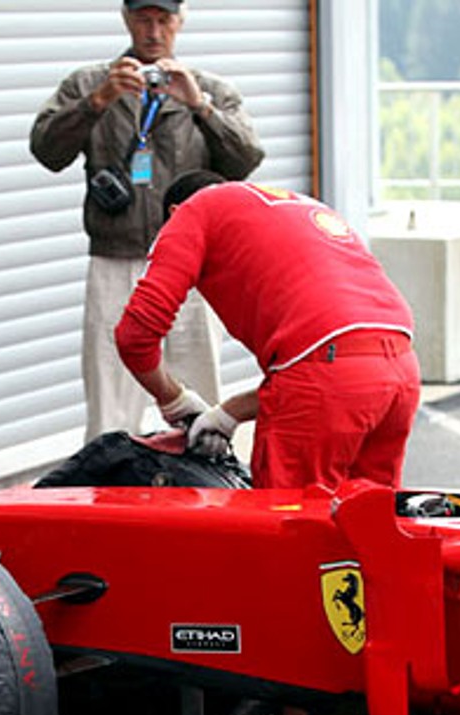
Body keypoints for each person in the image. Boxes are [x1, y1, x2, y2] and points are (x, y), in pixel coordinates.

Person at [31, 0, 262, 439]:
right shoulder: (90, 83)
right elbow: (46, 150)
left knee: (202, 399)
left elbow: (245, 160)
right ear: (125, 19)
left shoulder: (208, 88)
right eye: (143, 19)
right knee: (111, 400)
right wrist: (96, 102)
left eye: (163, 20)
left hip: (196, 270)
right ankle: (111, 485)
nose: (153, 31)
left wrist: (201, 107)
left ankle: (207, 491)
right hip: (116, 259)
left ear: (181, 21)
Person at [116, 174, 420, 491]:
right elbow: (324, 361)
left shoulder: (194, 211)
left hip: (328, 376)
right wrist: (226, 414)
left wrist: (173, 400)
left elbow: (134, 335)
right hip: (401, 369)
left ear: (174, 213)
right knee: (372, 525)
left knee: (287, 525)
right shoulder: (300, 207)